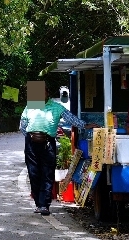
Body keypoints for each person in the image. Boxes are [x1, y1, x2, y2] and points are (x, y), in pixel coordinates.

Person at [20, 81, 86, 216]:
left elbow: (71, 119)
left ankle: (45, 204)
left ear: (47, 93)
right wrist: (31, 137)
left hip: (48, 143)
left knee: (47, 173)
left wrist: (85, 125)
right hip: (31, 143)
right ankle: (38, 204)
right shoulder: (30, 106)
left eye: (42, 91)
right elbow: (22, 125)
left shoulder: (56, 107)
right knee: (33, 173)